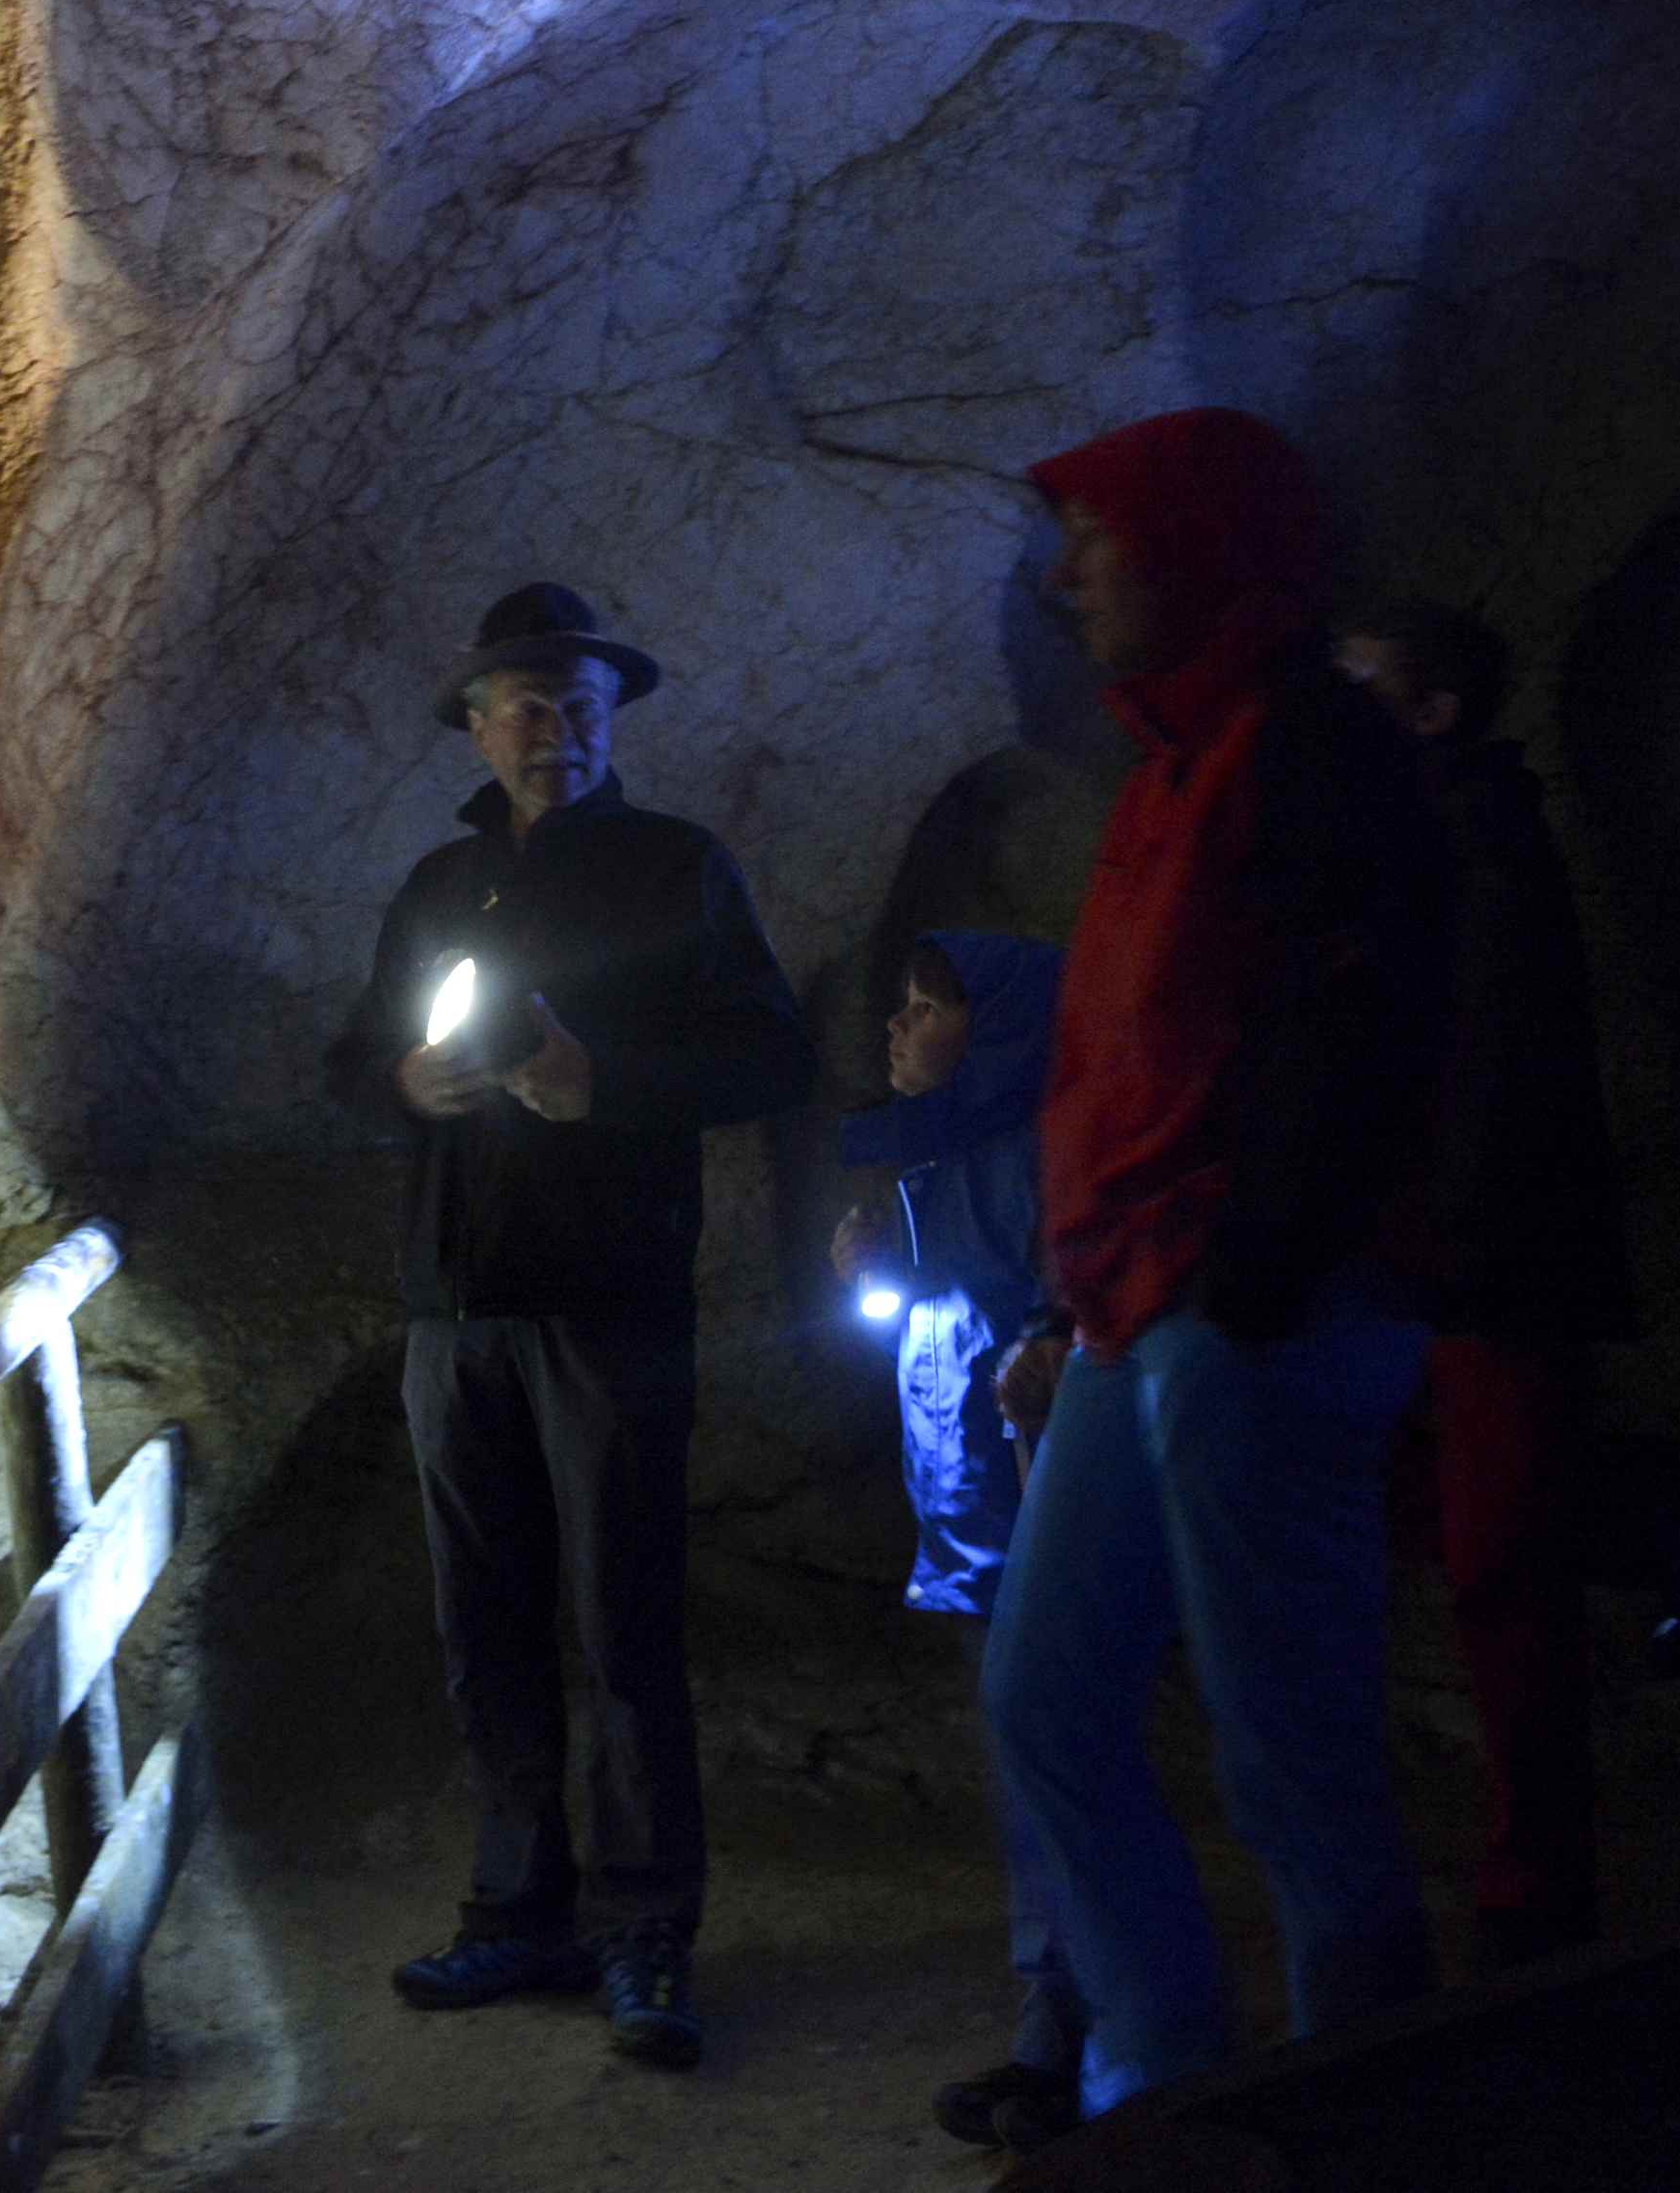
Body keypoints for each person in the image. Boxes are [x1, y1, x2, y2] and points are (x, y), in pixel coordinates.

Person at [981, 409, 1457, 2119]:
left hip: (1248, 1311)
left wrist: (1251, 1279)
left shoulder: (1307, 752)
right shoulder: (1176, 765)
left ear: (1191, 549)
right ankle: (1172, 2082)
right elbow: (1126, 1070)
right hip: (1152, 1312)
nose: (1064, 583)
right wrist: (1077, 1296)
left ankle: (1362, 2110)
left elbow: (1361, 1033)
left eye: (1095, 547)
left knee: (1295, 1749)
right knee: (1044, 1691)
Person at [362, 582, 813, 2071]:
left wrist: (598, 1087)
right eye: (531, 710)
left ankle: (645, 1937)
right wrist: (406, 1087)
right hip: (457, 1307)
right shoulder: (436, 886)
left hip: (610, 1300)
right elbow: (353, 1062)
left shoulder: (677, 868)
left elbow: (771, 1056)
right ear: (479, 727)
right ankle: (517, 1910)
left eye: (584, 709)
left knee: (623, 1624)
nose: (558, 734)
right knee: (483, 1623)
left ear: (614, 724)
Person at [1335, 598, 1680, 1967]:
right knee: (1438, 1515)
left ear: (1432, 711)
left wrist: (1440, 1244)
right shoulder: (1403, 845)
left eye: (1366, 684)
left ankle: (1536, 1902)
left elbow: (1499, 1073)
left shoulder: (1479, 838)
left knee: (1502, 1570)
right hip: (1413, 1268)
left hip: (1483, 1268)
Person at [829, 931, 1092, 2146]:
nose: (896, 1030)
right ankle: (1059, 2009)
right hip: (967, 1460)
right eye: (900, 1006)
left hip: (1036, 1444)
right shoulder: (924, 1151)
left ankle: (1080, 2025)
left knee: (1053, 1719)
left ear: (991, 1031)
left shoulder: (1041, 1147)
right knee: (1016, 1716)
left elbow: (1040, 1287)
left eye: (927, 1008)